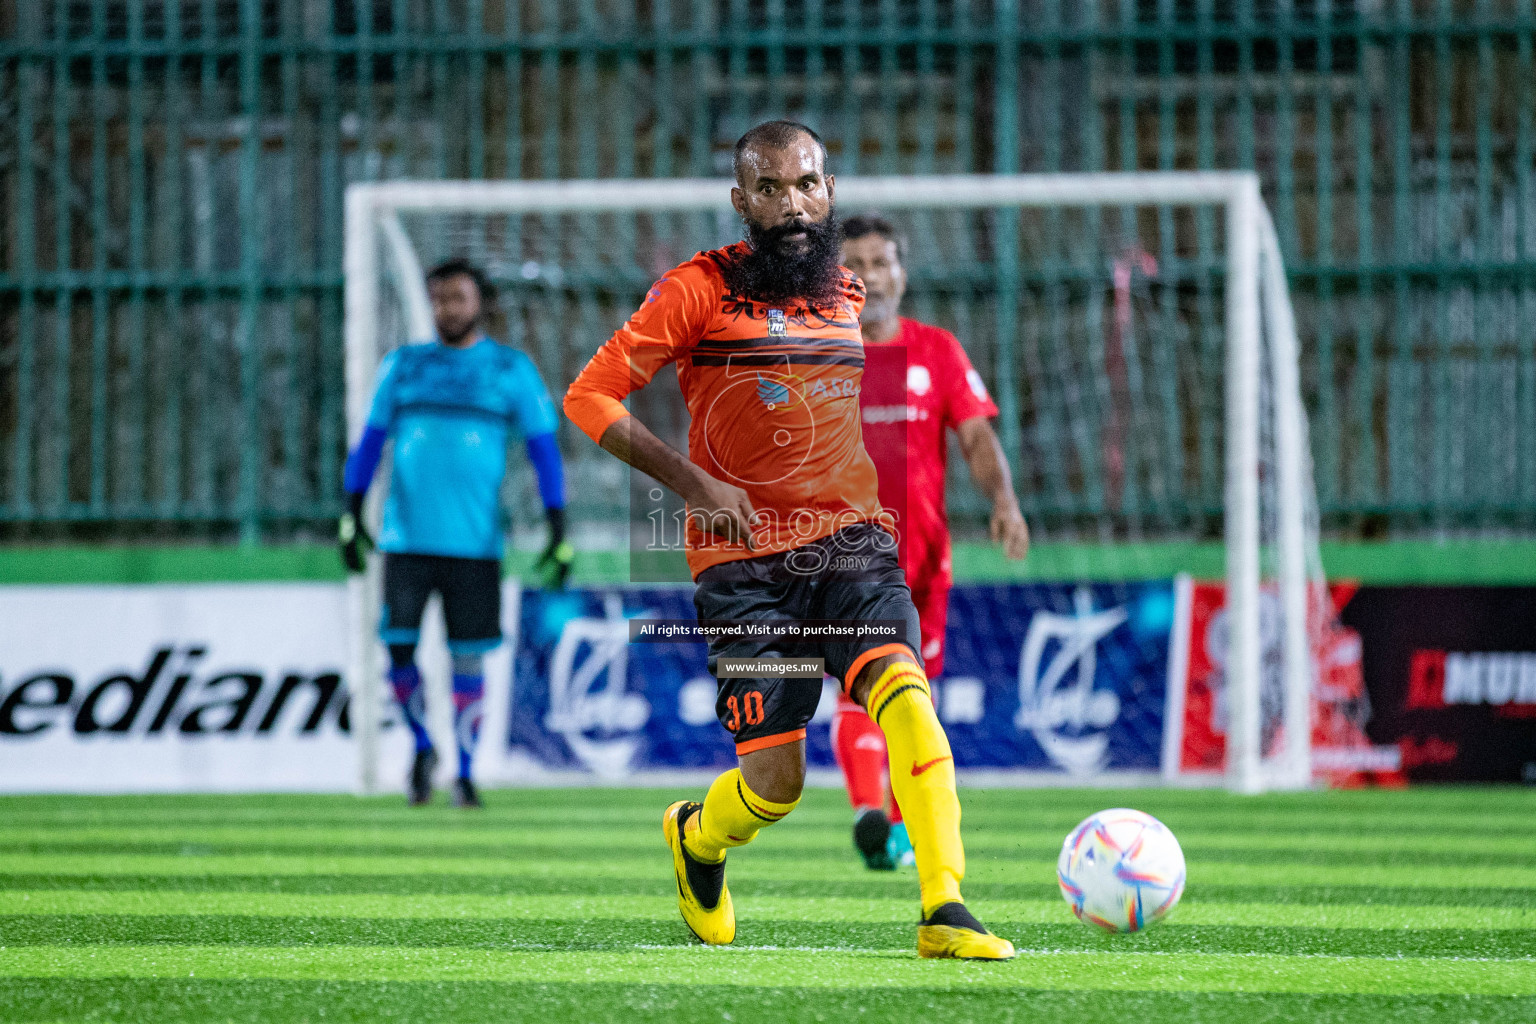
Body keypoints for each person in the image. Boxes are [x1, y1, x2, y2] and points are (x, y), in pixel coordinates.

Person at [563, 120, 1013, 959]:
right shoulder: (696, 289)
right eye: (769, 189)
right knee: (776, 785)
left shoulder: (844, 290)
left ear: (829, 192)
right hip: (742, 565)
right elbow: (589, 397)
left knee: (906, 694)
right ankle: (698, 837)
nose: (792, 203)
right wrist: (695, 483)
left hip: (851, 545)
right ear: (743, 202)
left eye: (806, 184)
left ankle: (944, 906)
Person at [339, 258, 573, 808]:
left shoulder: (509, 370)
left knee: (467, 658)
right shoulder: (403, 366)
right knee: (398, 650)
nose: (447, 308)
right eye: (439, 298)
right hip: (404, 540)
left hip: (475, 545)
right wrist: (350, 511)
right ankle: (423, 745)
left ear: (481, 303)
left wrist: (558, 525)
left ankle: (466, 772)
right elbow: (369, 443)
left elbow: (544, 452)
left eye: (458, 298)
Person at [834, 215, 1030, 870]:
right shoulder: (813, 355)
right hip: (845, 556)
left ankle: (889, 821)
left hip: (923, 560)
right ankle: (871, 809)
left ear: (903, 273)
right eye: (853, 263)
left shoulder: (937, 351)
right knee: (864, 684)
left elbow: (975, 437)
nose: (869, 275)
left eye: (881, 261)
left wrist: (1003, 500)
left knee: (915, 691)